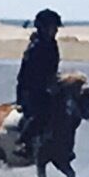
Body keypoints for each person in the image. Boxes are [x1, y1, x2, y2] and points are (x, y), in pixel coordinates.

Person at [14, 8, 62, 159]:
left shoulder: (53, 46)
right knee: (42, 113)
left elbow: (53, 69)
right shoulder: (35, 48)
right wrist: (43, 87)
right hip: (30, 91)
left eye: (56, 28)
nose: (55, 31)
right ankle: (23, 142)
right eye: (53, 27)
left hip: (47, 89)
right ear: (43, 28)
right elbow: (25, 76)